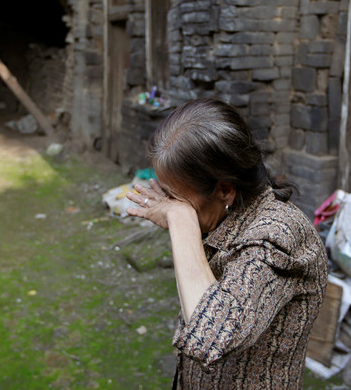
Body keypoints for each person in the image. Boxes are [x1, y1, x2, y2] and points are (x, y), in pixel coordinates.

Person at [126, 97, 329, 388]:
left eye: (175, 197)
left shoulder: (276, 235)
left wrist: (181, 219)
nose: (167, 205)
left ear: (224, 189)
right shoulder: (227, 215)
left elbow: (209, 336)